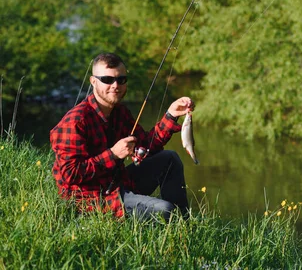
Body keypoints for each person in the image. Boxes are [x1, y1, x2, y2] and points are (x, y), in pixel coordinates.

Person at [50, 52, 194, 221]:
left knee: (170, 158)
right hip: (88, 200)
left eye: (121, 79)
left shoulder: (120, 112)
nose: (115, 85)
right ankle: (172, 222)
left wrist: (171, 115)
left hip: (117, 183)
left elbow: (147, 146)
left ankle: (184, 225)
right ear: (93, 81)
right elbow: (70, 174)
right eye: (107, 80)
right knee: (166, 210)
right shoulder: (75, 121)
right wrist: (113, 154)